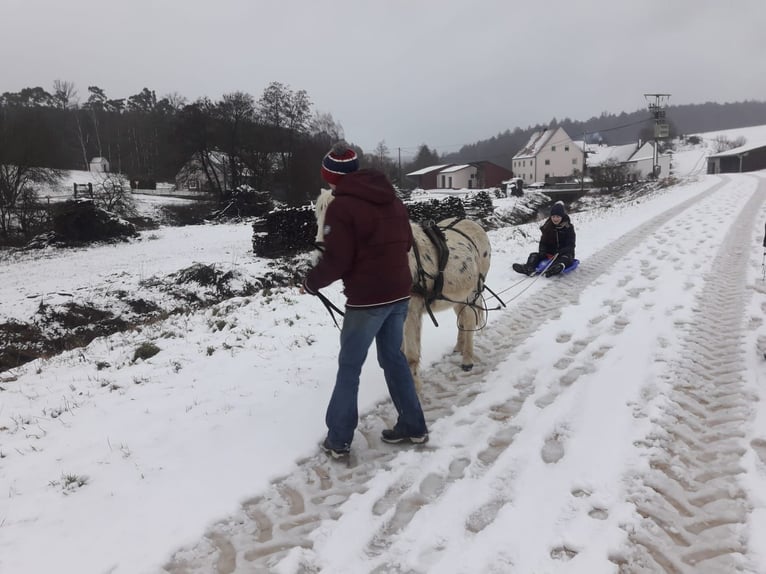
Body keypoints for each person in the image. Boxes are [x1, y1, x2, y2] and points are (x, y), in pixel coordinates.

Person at [301, 141, 428, 459]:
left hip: (366, 302)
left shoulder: (340, 207)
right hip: (400, 294)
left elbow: (337, 260)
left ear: (332, 176)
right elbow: (407, 243)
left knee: (350, 367)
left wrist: (311, 282)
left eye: (327, 174)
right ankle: (413, 425)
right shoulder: (393, 200)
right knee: (394, 359)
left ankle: (339, 439)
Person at [512, 201, 576, 277]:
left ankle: (554, 269)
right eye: (553, 217)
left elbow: (571, 245)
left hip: (563, 254)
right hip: (550, 253)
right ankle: (528, 268)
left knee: (565, 259)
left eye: (558, 217)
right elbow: (543, 242)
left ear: (562, 217)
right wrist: (542, 251)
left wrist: (561, 251)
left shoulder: (568, 228)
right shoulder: (548, 227)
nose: (555, 219)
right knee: (534, 255)